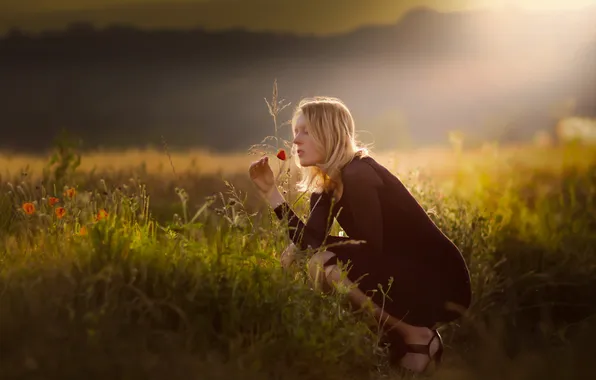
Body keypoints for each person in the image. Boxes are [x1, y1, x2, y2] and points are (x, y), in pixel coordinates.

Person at [248, 96, 472, 374]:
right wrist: (271, 194)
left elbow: (370, 248)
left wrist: (303, 248)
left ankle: (417, 336)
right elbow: (311, 242)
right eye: (295, 132)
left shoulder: (358, 174)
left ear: (330, 133)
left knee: (322, 263)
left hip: (439, 280)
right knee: (318, 261)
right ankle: (393, 338)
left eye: (305, 131)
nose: (295, 141)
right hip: (399, 270)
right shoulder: (328, 182)